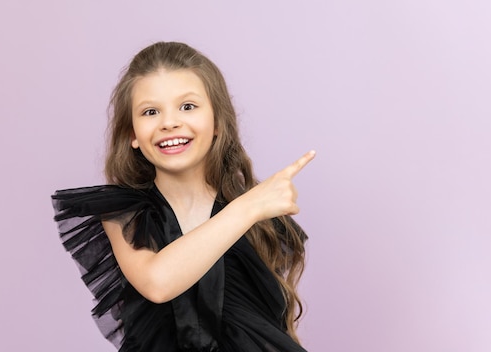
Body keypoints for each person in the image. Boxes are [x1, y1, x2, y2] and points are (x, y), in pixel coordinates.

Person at [51, 41, 315, 352]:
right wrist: (252, 205)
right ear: (132, 135)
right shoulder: (124, 212)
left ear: (218, 123)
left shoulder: (255, 215)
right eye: (150, 111)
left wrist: (251, 207)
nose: (169, 122)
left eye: (187, 106)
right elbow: (158, 283)